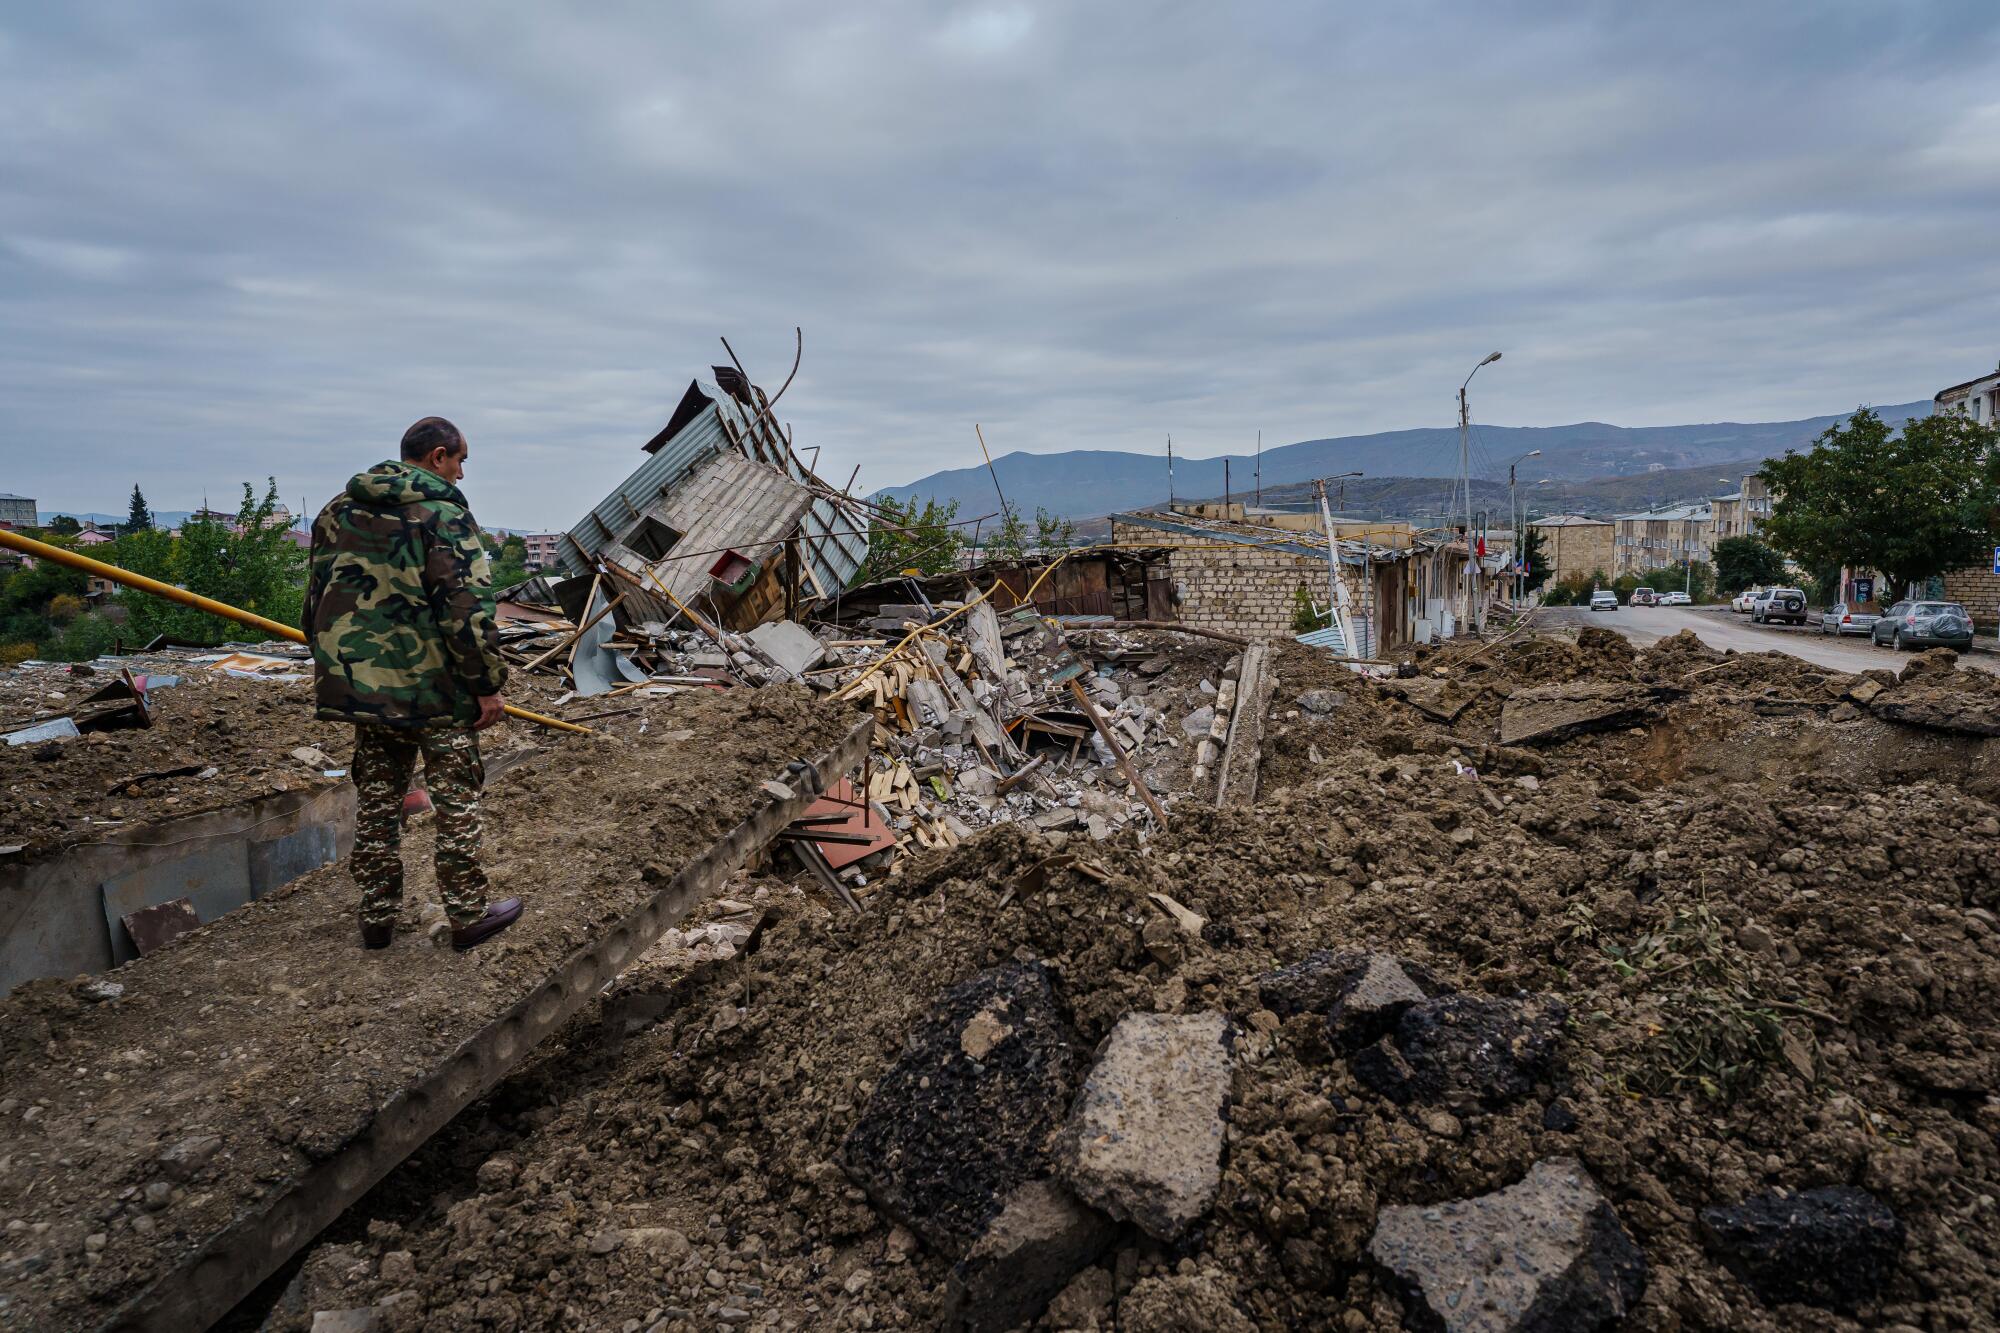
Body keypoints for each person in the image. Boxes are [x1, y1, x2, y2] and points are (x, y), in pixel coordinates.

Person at [304, 416, 523, 951]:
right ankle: (468, 917)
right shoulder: (443, 515)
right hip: (437, 691)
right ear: (438, 456)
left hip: (363, 687)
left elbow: (315, 603)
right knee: (456, 802)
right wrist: (487, 683)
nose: (463, 474)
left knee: (378, 800)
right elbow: (466, 610)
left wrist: (339, 669)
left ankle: (377, 917)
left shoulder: (337, 511)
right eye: (461, 461)